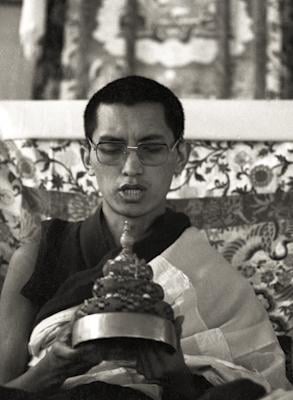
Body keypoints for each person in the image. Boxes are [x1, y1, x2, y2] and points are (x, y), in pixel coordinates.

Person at [0, 76, 290, 400]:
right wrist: (52, 367)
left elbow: (268, 384)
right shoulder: (39, 254)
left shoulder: (210, 276)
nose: (131, 167)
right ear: (87, 157)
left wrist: (177, 377)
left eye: (151, 148)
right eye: (111, 148)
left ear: (180, 156)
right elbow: (7, 390)